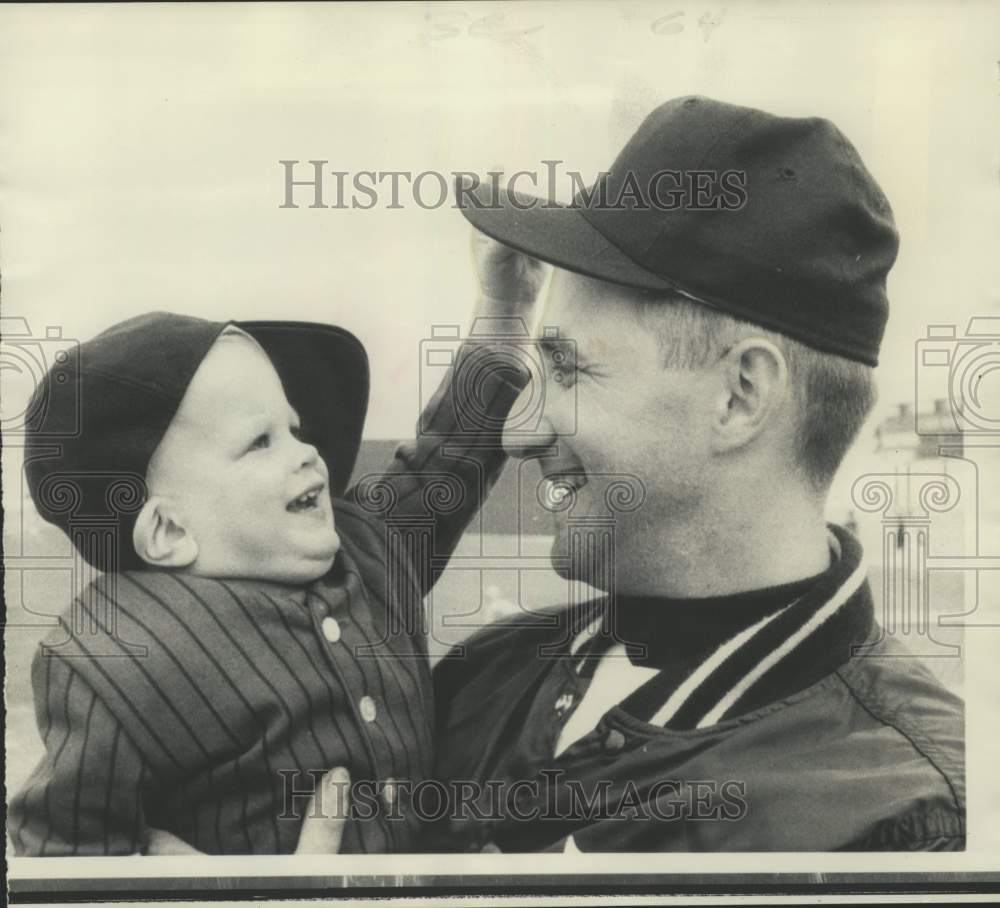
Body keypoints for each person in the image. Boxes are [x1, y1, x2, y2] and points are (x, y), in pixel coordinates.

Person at [431, 95, 965, 851]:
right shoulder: (483, 675)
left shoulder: (904, 825)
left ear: (740, 395)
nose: (517, 434)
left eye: (571, 368)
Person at [7, 286, 533, 854]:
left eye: (295, 429)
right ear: (169, 531)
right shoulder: (113, 656)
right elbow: (64, 852)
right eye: (260, 442)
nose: (307, 454)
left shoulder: (364, 546)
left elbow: (446, 462)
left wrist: (506, 308)